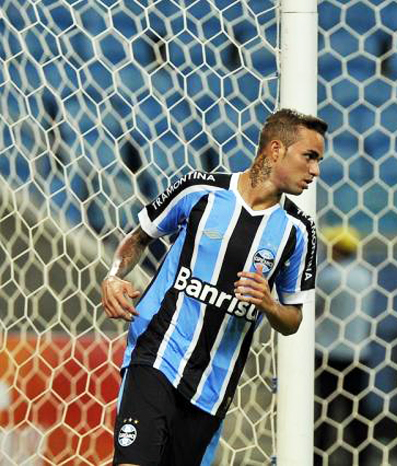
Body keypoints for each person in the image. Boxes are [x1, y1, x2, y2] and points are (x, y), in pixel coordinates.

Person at [101, 108, 328, 465]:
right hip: (156, 354)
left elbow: (293, 320)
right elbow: (140, 236)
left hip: (213, 385)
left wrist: (269, 304)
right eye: (310, 157)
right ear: (275, 150)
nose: (316, 170)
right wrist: (114, 275)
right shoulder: (200, 190)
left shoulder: (298, 231)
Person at [314, 226, 375, 465]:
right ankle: (362, 459)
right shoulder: (365, 276)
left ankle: (316, 458)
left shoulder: (329, 277)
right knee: (358, 414)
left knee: (324, 414)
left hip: (328, 353)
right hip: (358, 354)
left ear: (336, 248)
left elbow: (313, 306)